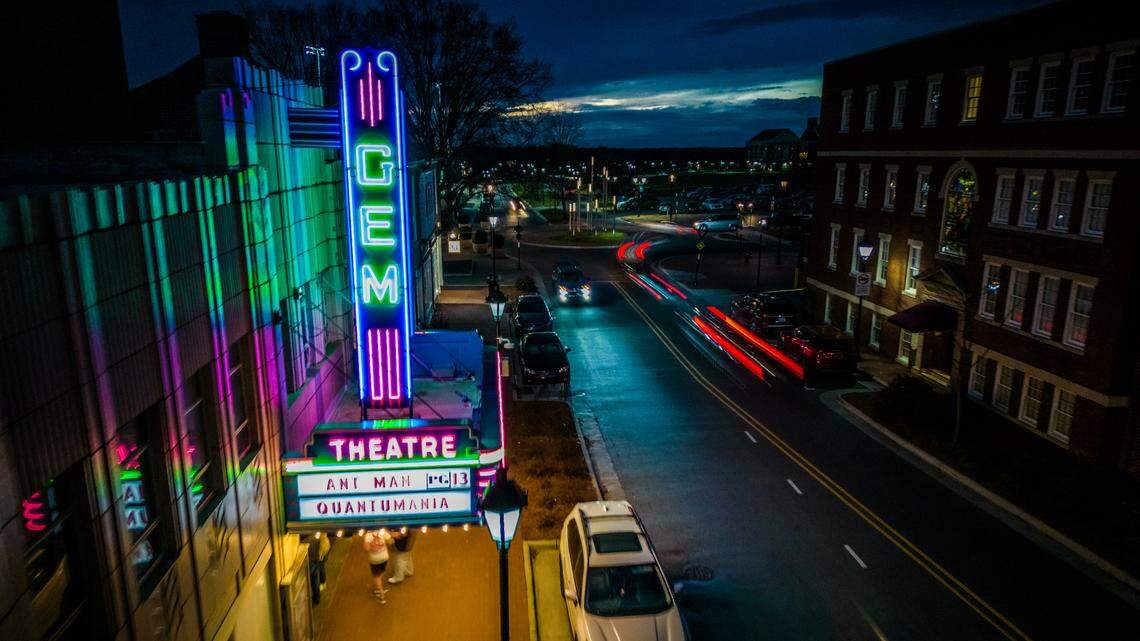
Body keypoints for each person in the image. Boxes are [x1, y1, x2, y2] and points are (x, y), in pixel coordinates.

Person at [362, 529, 393, 603]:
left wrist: (370, 543)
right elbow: (391, 542)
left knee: (376, 577)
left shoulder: (368, 535)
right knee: (380, 573)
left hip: (374, 560)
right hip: (385, 557)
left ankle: (381, 595)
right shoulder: (383, 532)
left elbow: (366, 549)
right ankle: (378, 588)